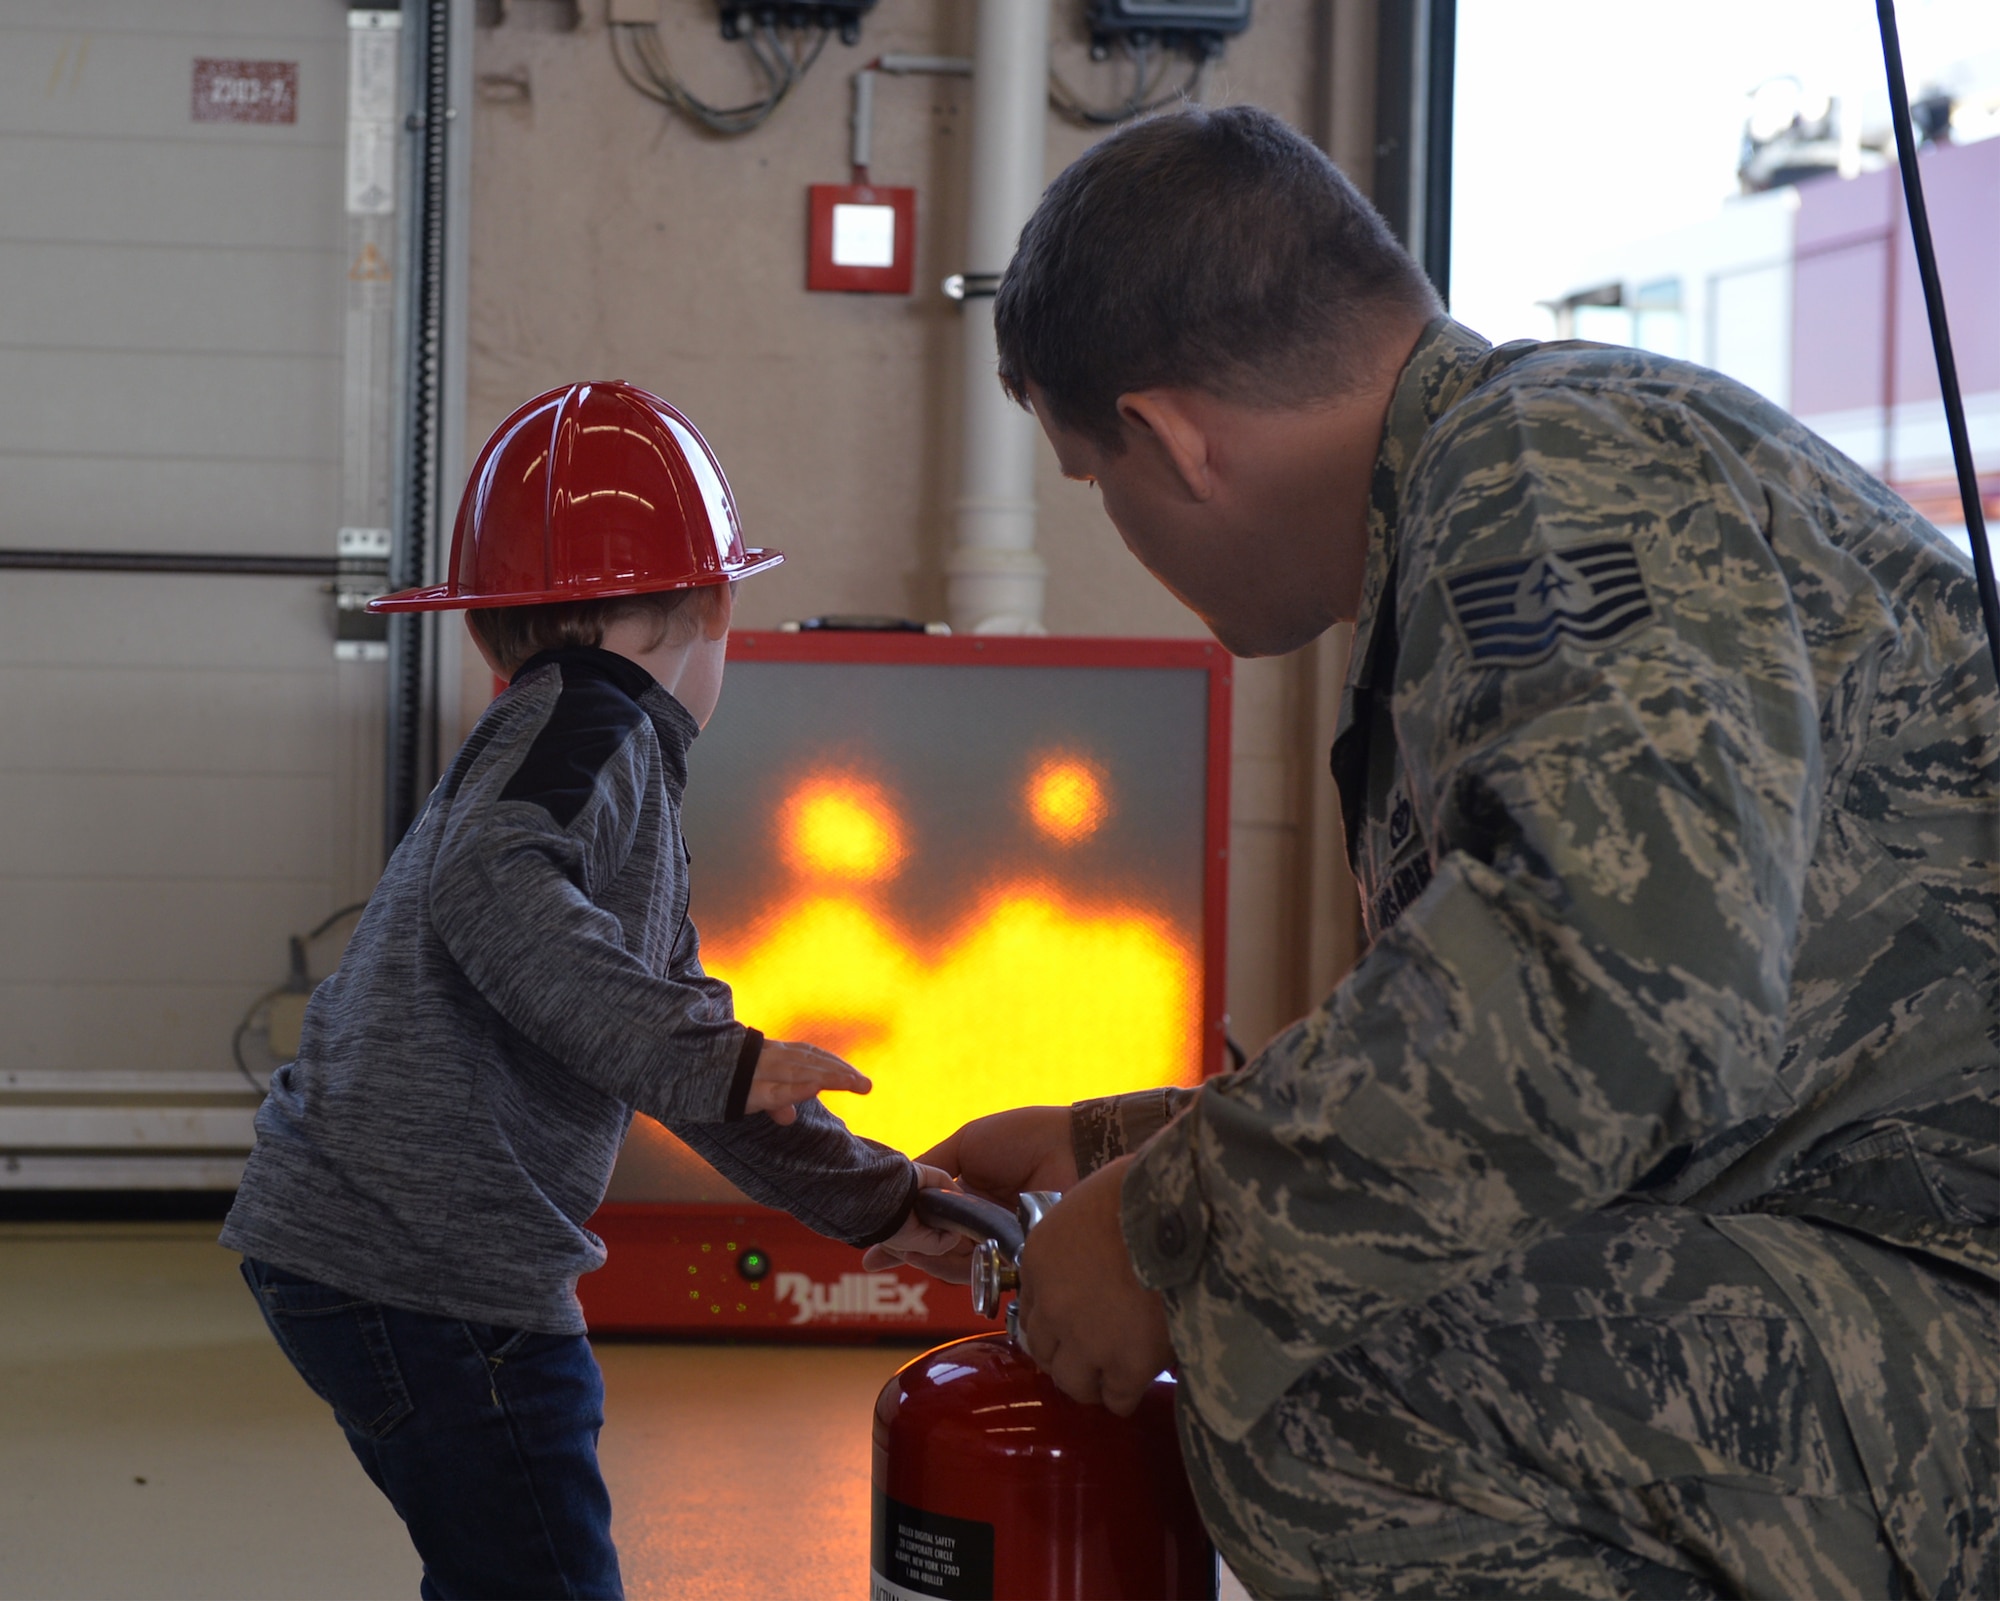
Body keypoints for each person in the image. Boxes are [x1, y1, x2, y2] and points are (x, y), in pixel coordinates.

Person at [868, 108, 1998, 1598]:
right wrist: (1120, 1146)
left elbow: (1627, 987)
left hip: (1946, 1307)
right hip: (1894, 1267)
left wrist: (1164, 1225)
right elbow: (1600, 1025)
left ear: (1169, 437)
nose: (1121, 525)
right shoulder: (1528, 473)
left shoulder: (1538, 470)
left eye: (1095, 482)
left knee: (1320, 1388)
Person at [222, 381, 956, 1600]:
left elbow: (676, 1043)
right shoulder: (593, 717)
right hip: (428, 1267)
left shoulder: (567, 763)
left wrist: (882, 1203)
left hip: (367, 1248)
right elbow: (494, 896)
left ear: (479, 629)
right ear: (717, 602)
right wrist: (709, 1058)